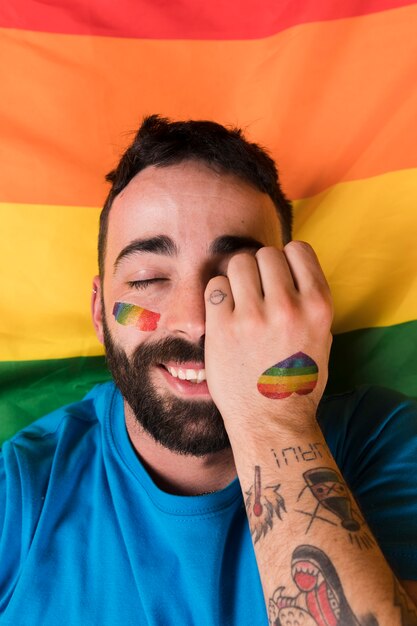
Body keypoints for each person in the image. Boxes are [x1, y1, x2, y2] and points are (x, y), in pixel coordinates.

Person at [1, 115, 417, 626]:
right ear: (97, 311)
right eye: (149, 277)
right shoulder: (18, 494)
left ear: (292, 297)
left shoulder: (386, 440)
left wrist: (274, 420)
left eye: (234, 277)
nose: (196, 321)